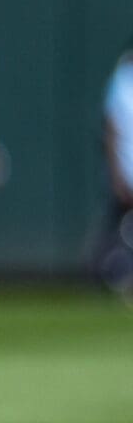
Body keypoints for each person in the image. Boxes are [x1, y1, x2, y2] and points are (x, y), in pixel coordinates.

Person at [97, 41, 133, 299]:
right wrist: (117, 174)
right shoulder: (122, 81)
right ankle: (113, 278)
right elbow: (110, 131)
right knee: (117, 229)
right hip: (127, 168)